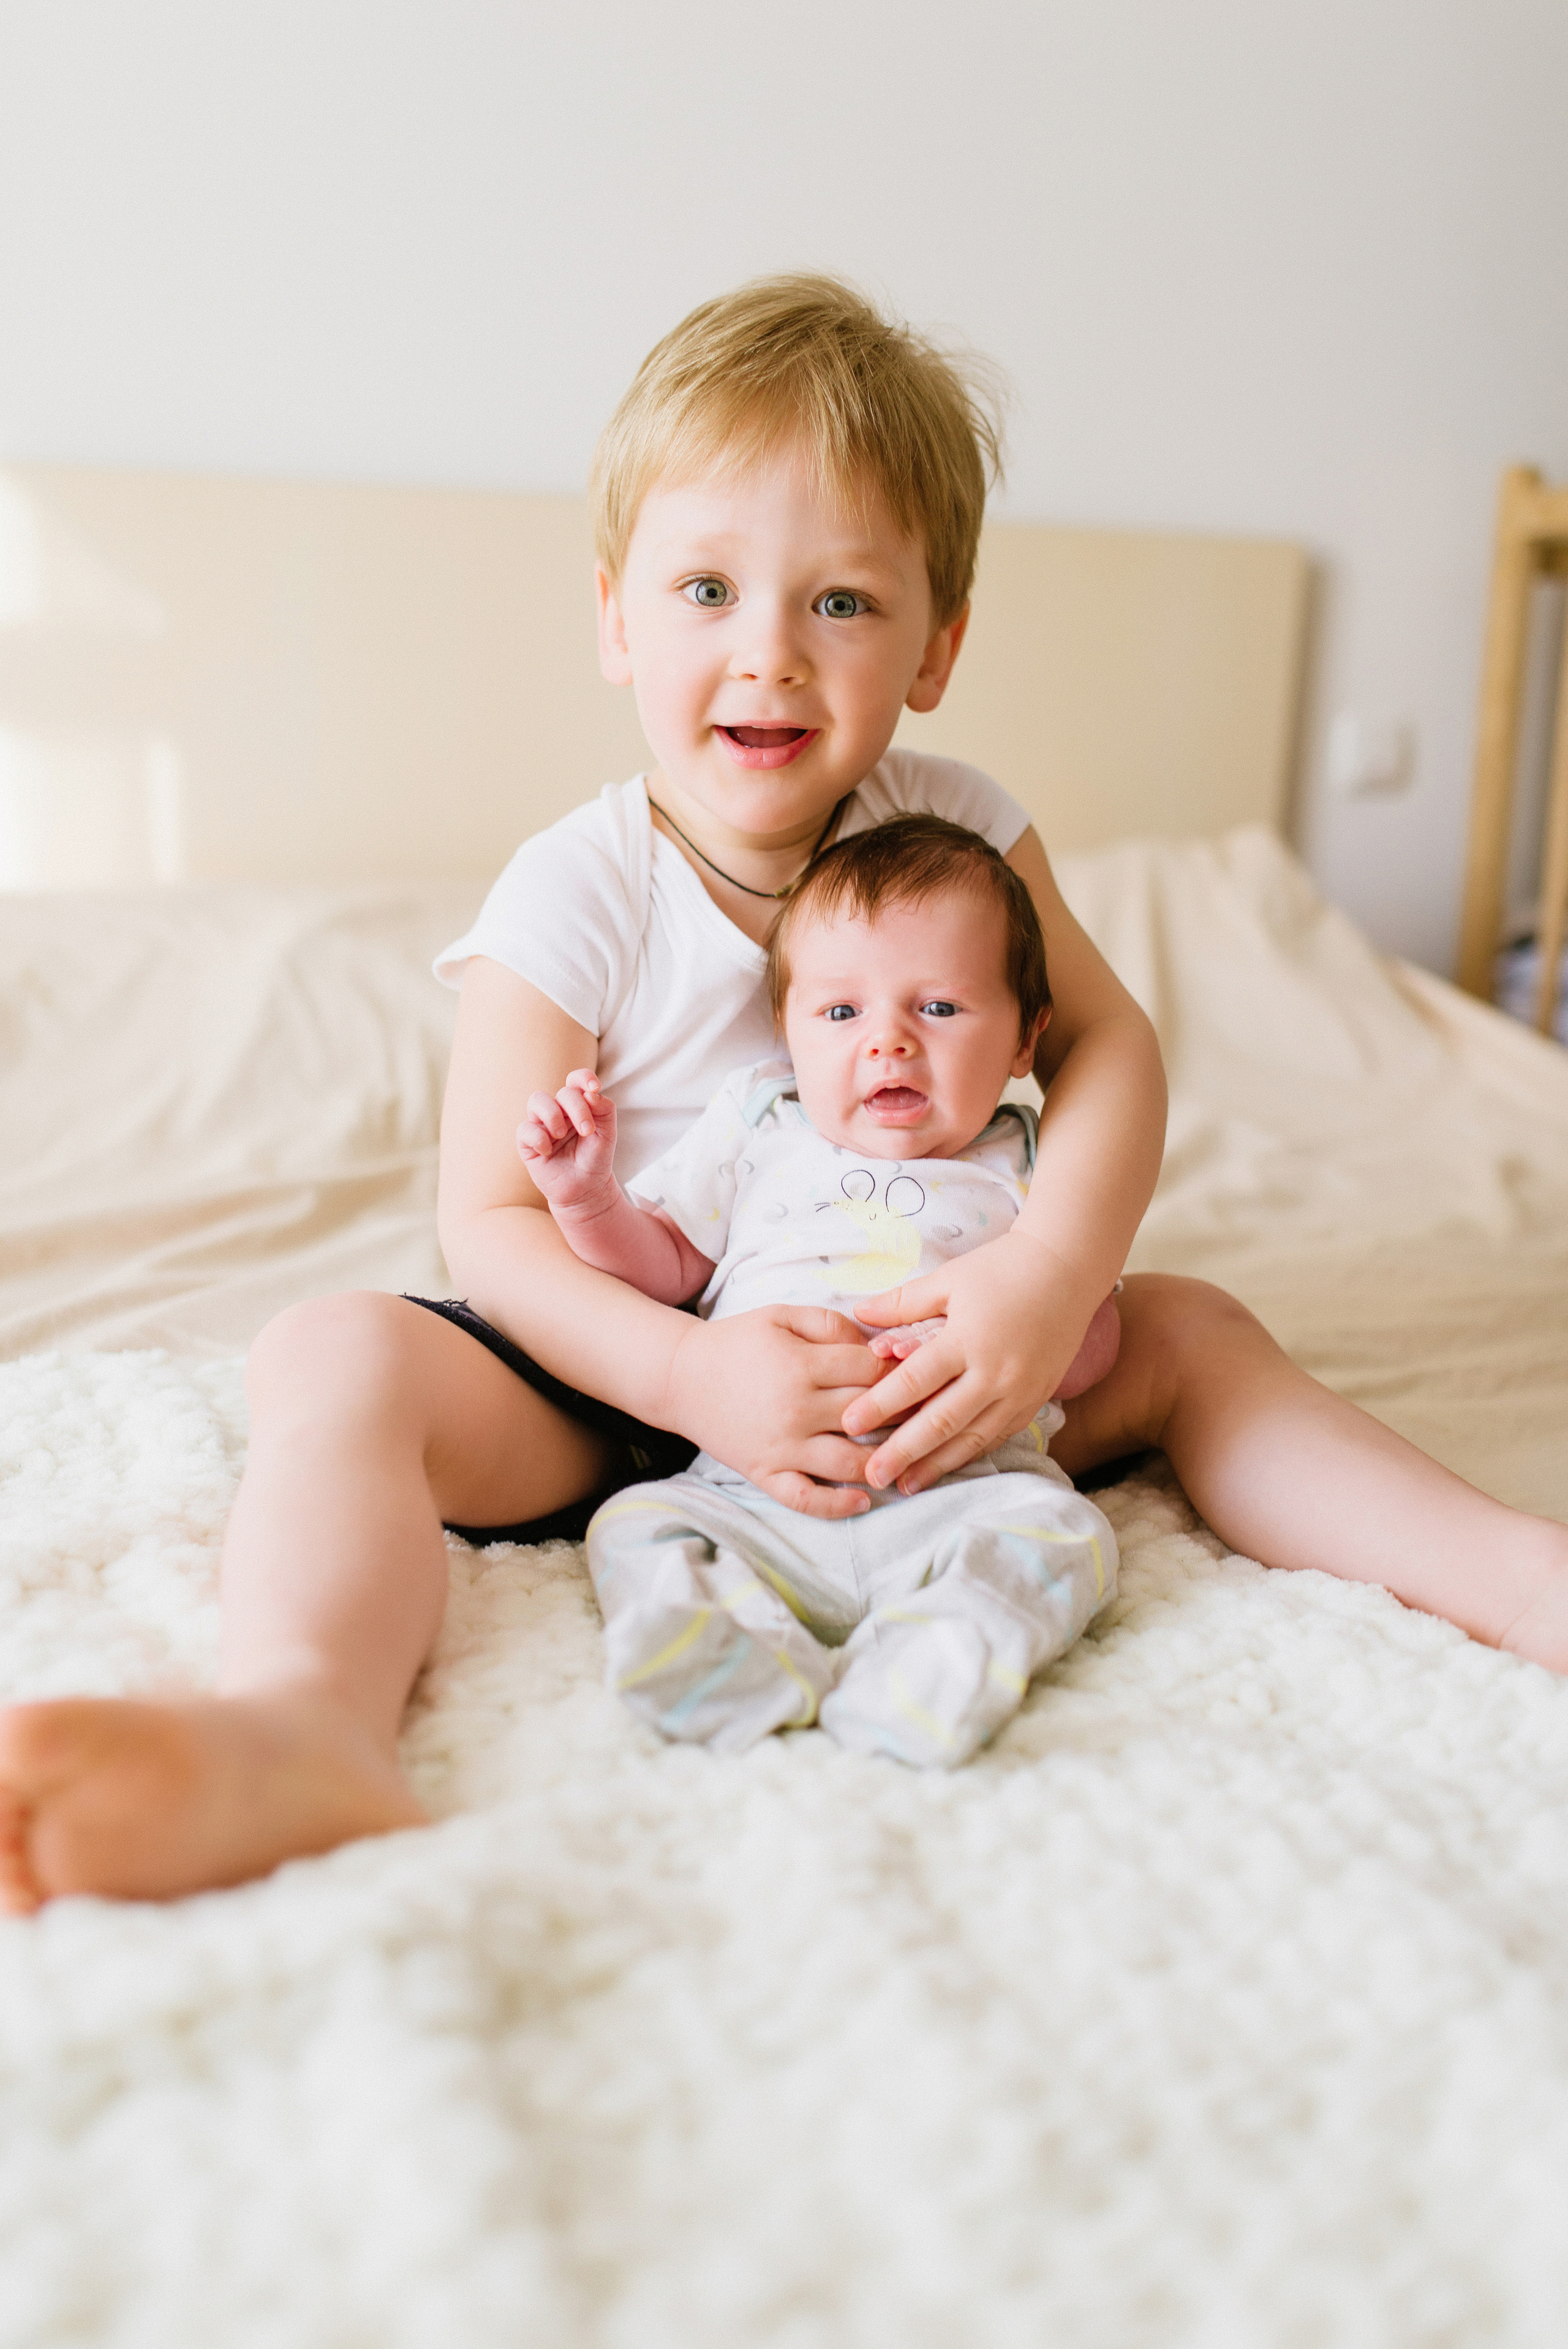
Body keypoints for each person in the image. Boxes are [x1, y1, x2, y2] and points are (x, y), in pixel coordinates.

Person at [2, 273, 1566, 1912]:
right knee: (334, 1351)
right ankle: (300, 1728)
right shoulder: (578, 888)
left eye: (840, 602)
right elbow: (494, 1224)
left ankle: (1521, 1583)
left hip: (927, 1361)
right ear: (617, 619)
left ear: (936, 643)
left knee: (1190, 1333)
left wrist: (1046, 1277)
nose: (769, 654)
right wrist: (691, 1375)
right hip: (623, 1379)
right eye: (706, 589)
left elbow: (1107, 1046)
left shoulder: (960, 831)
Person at [520, 815, 1122, 1768]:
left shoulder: (1033, 1161)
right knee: (635, 1523)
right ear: (787, 1031)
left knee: (1068, 1533)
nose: (888, 1043)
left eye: (939, 1007)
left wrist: (1049, 1329)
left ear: (1025, 1036)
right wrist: (588, 1196)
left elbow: (1087, 1330)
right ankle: (730, 1654)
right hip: (755, 1488)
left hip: (961, 1486)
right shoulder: (761, 1122)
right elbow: (662, 1264)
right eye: (841, 1014)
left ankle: (940, 1653)